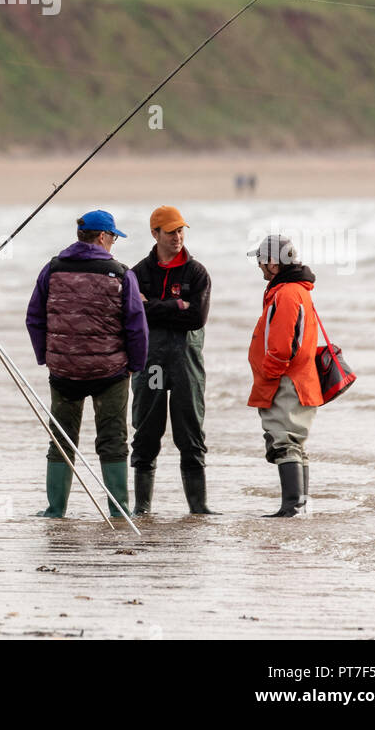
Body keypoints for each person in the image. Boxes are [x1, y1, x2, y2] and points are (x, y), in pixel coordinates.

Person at [26, 209, 148, 519]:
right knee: (113, 439)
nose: (113, 245)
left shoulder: (52, 269)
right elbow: (136, 325)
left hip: (64, 372)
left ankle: (55, 510)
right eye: (113, 238)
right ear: (103, 237)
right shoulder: (121, 274)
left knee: (62, 438)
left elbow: (35, 317)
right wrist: (136, 364)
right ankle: (119, 511)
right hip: (111, 372)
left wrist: (46, 356)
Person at [130, 205, 215, 516]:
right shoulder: (138, 273)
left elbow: (196, 318)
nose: (178, 236)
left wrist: (152, 306)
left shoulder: (197, 272)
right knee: (146, 433)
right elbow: (131, 315)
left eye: (181, 230)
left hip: (186, 363)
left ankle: (199, 508)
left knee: (190, 433)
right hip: (151, 362)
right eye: (171, 231)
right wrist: (175, 305)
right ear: (155, 234)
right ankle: (141, 508)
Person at [247, 234, 323, 517]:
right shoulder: (297, 290)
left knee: (285, 441)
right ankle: (299, 506)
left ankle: (292, 507)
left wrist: (269, 373)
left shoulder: (287, 293)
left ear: (273, 264)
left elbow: (281, 345)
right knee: (295, 442)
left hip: (288, 382)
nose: (259, 267)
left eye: (260, 261)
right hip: (300, 379)